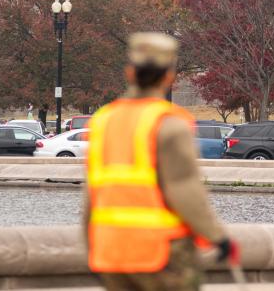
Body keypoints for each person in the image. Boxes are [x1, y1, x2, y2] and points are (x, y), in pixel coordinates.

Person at [85, 32, 237, 291]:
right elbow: (184, 190)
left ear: (129, 72)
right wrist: (218, 237)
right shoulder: (169, 124)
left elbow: (91, 196)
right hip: (159, 253)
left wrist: (92, 249)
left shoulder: (102, 120)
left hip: (110, 251)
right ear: (169, 76)